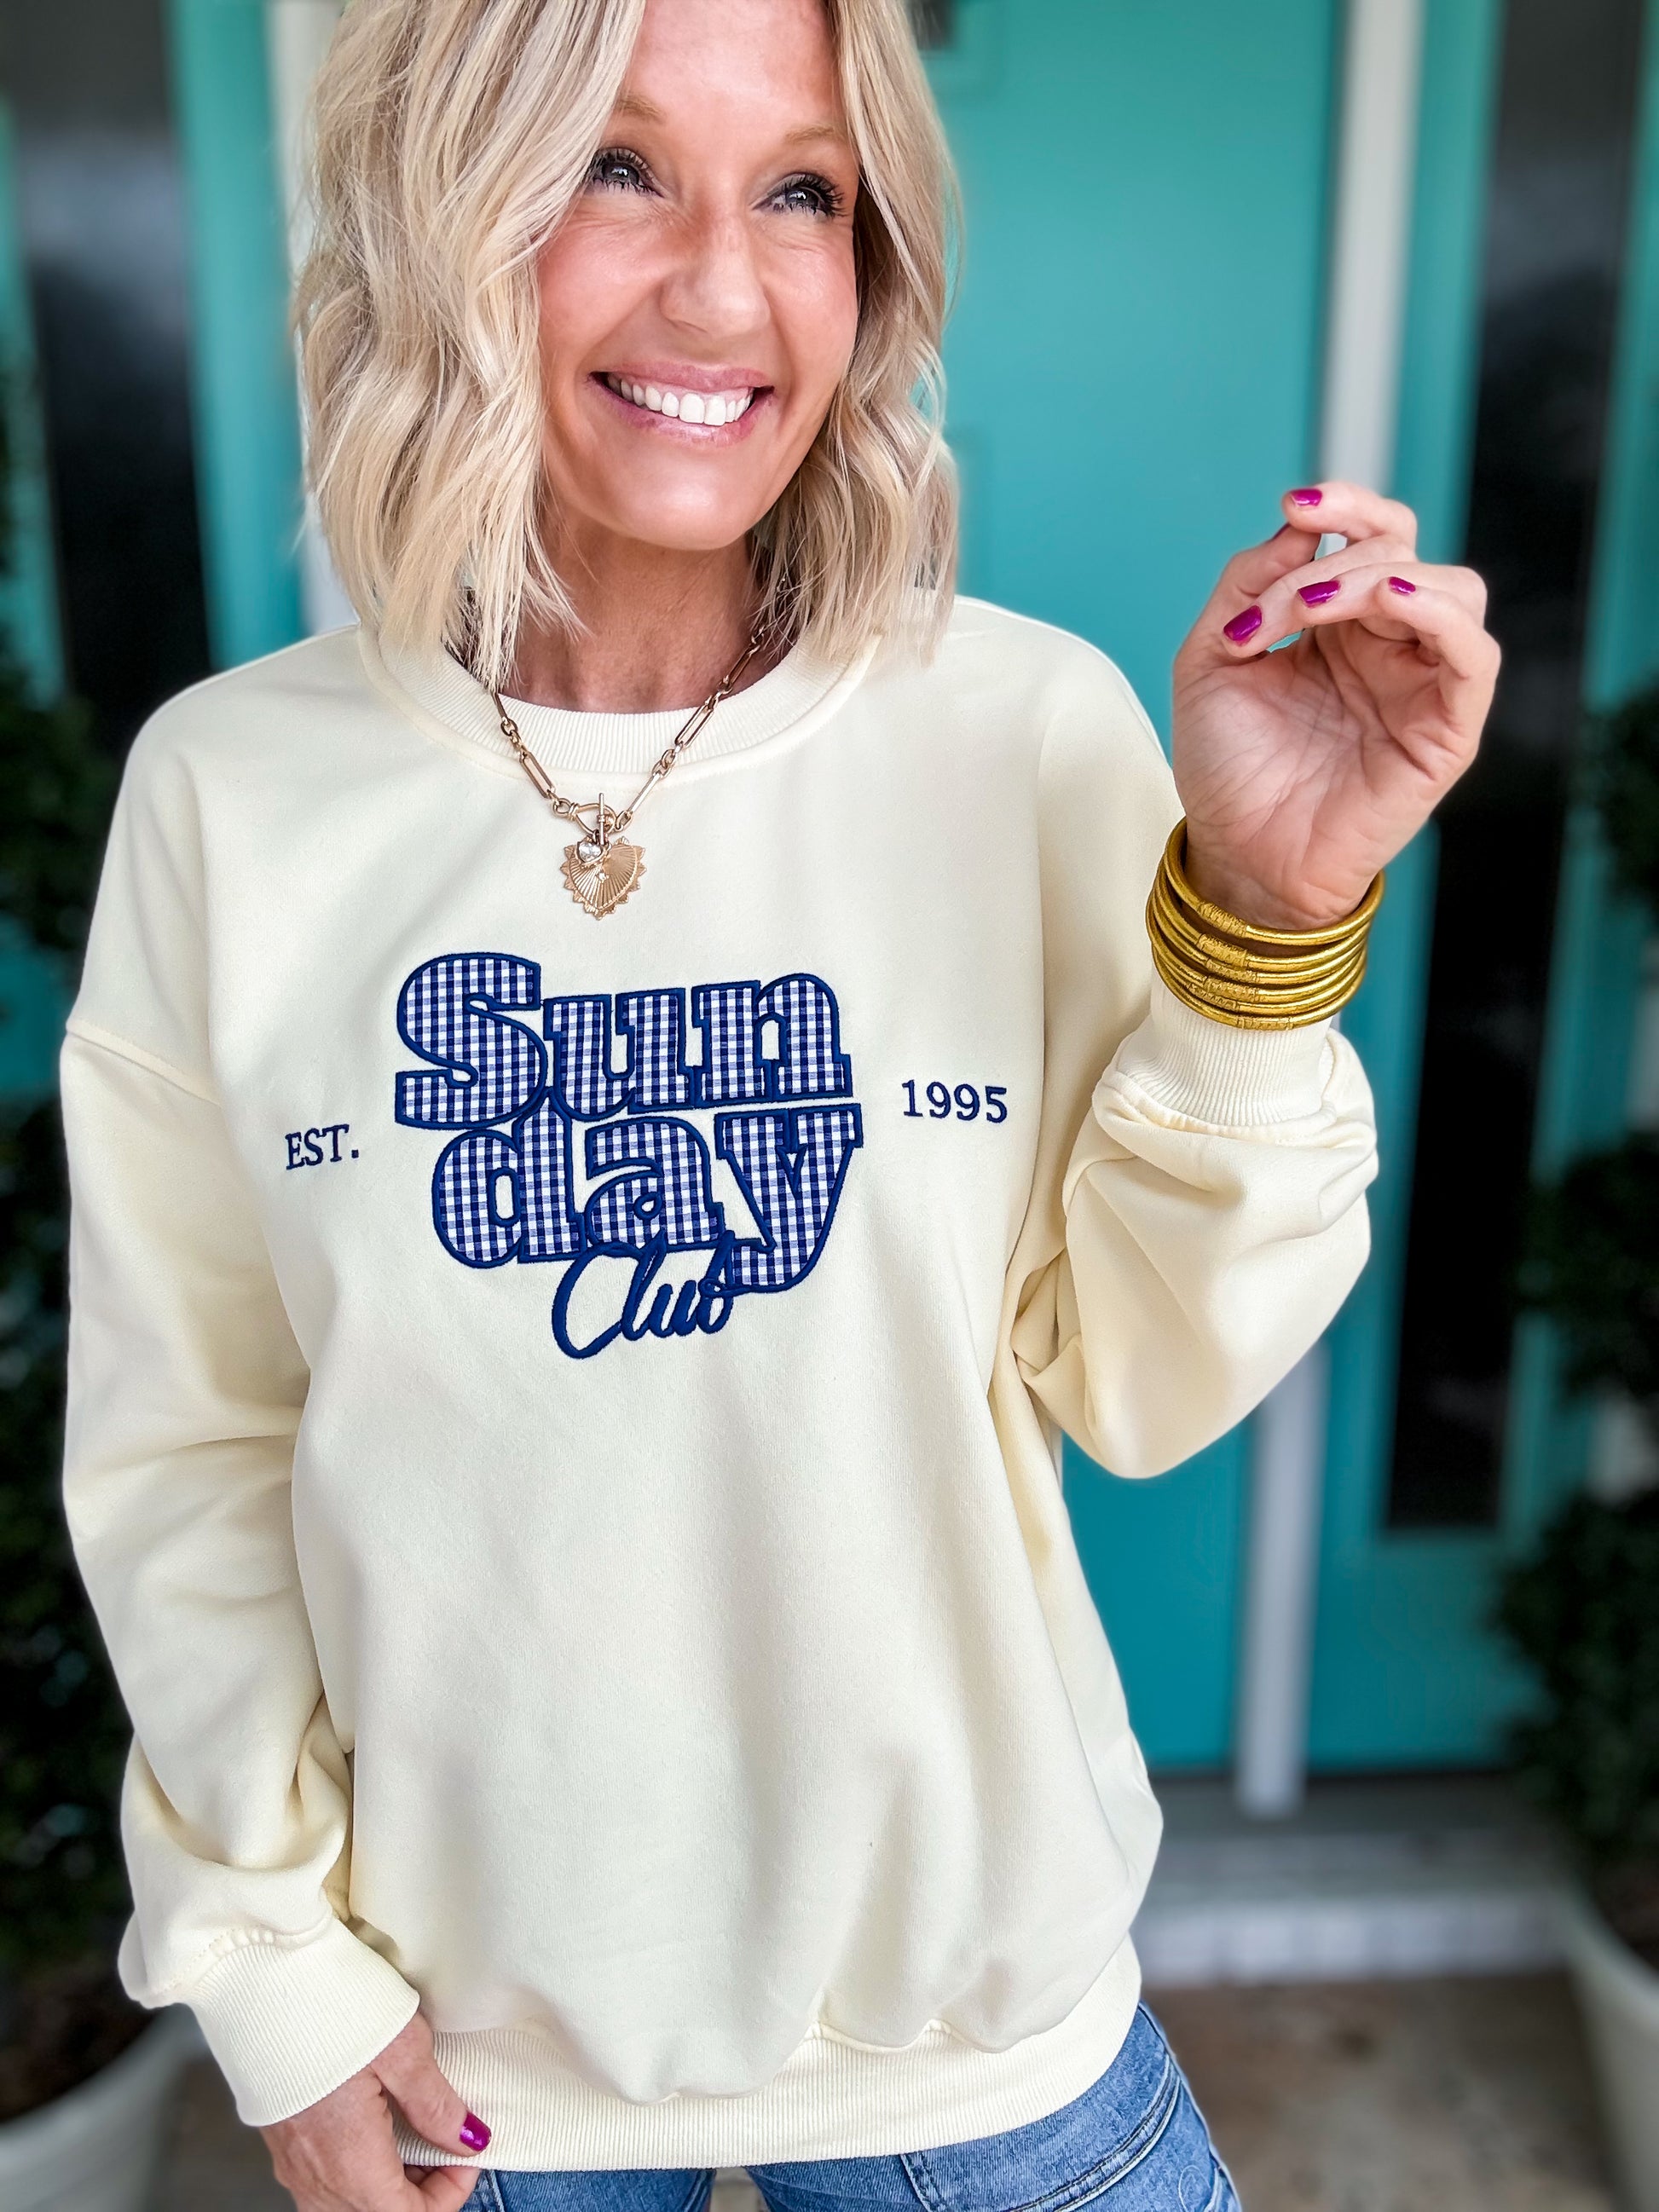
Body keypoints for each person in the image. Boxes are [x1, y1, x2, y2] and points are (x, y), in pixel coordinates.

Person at [57, 0, 1498, 2206]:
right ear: (445, 205)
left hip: (981, 2068)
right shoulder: (232, 799)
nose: (723, 290)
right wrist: (268, 1964)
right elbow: (192, 1441)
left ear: (870, 261)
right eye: (615, 167)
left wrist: (1265, 915)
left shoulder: (1019, 732)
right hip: (473, 2087)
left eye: (801, 191)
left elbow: (1140, 1376)